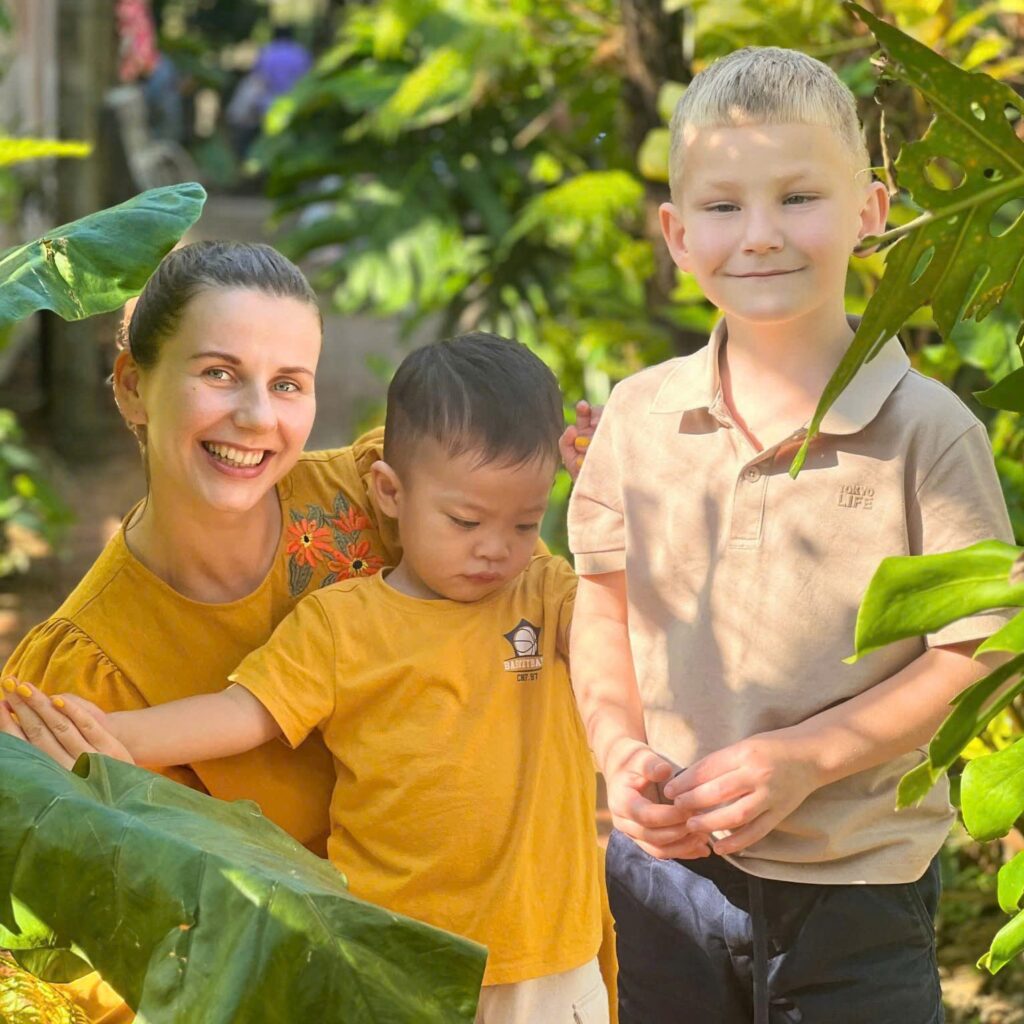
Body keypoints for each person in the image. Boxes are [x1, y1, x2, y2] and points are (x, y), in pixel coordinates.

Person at [0, 241, 603, 1023]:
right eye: (219, 373)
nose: (257, 416)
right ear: (132, 387)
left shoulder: (394, 497)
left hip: (534, 951)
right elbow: (117, 952)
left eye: (288, 383)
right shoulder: (82, 679)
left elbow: (573, 627)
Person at [567, 46, 1014, 1024]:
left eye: (799, 197)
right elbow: (600, 604)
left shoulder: (928, 431)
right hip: (662, 877)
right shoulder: (637, 415)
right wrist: (617, 749)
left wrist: (810, 756)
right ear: (677, 235)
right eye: (723, 206)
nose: (760, 234)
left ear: (871, 210)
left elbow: (977, 649)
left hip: (857, 887)